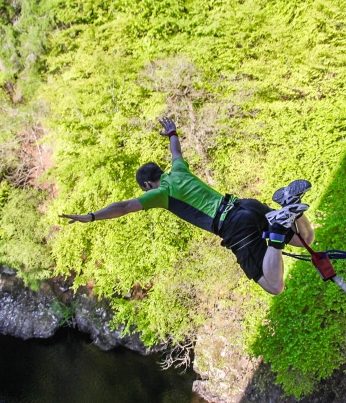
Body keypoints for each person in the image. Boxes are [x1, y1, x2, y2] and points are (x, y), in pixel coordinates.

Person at [59, 117, 315, 295]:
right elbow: (176, 152)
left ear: (148, 185)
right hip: (243, 205)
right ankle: (288, 205)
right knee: (307, 238)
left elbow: (124, 206)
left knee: (274, 286)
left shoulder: (161, 193)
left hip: (234, 226)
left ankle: (279, 226)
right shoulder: (178, 170)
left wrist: (90, 216)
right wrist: (171, 132)